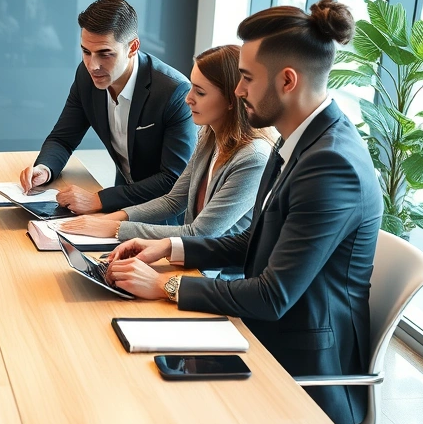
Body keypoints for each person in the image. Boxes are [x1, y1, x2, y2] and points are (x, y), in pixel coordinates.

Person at [105, 0, 382, 424]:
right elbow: (256, 240)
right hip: (258, 334)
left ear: (287, 80)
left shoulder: (332, 165)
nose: (238, 90)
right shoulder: (297, 140)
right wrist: (170, 247)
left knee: (146, 409)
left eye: (248, 78)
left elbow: (272, 296)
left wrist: (165, 285)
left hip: (297, 373)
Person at [60, 45, 271, 277]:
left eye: (200, 92)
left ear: (232, 99)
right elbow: (173, 201)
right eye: (192, 87)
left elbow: (199, 233)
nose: (188, 99)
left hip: (219, 279)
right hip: (191, 265)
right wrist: (109, 219)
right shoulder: (210, 136)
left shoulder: (253, 158)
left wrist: (115, 228)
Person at [19, 0, 197, 214]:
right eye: (86, 52)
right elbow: (63, 139)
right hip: (120, 202)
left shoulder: (174, 92)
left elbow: (173, 179)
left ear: (133, 47)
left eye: (105, 54)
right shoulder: (86, 77)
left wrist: (99, 200)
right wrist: (45, 169)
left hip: (165, 215)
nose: (93, 66)